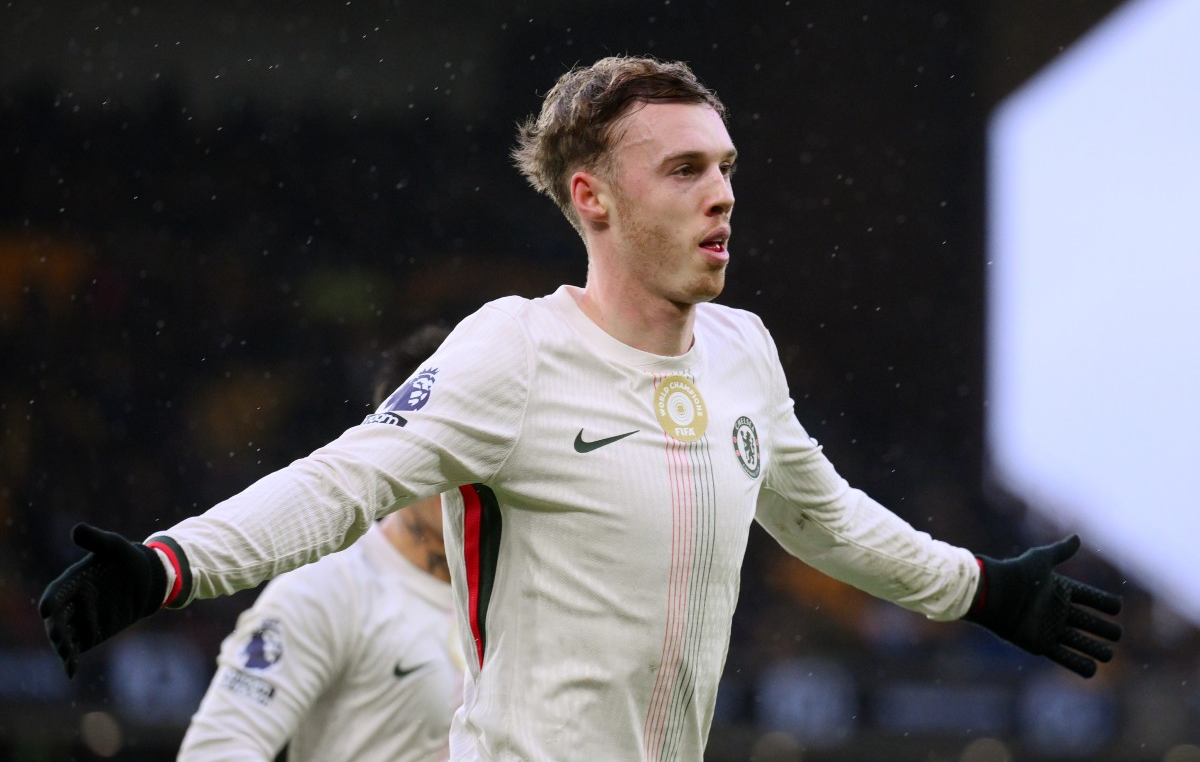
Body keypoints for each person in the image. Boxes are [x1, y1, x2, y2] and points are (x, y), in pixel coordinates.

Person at [40, 56, 1122, 762]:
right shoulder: (514, 350)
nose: (724, 193)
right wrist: (167, 563)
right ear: (594, 198)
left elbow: (823, 517)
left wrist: (976, 586)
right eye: (687, 168)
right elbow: (345, 479)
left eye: (728, 168)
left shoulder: (744, 352)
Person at [176, 325, 460, 762]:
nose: (462, 467)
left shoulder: (528, 588)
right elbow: (218, 748)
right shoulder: (329, 588)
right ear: (397, 452)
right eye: (442, 446)